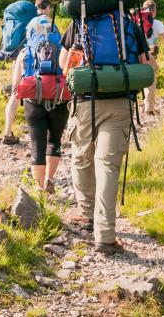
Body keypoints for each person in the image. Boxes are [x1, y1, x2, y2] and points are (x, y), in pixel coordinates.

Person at [59, 17, 150, 254]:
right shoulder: (127, 23)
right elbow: (146, 63)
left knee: (82, 158)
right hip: (120, 103)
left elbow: (63, 64)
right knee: (108, 165)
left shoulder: (78, 24)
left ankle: (87, 214)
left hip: (85, 103)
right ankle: (106, 236)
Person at [11, 14, 69, 193]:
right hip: (59, 98)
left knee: (37, 146)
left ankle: (40, 187)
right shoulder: (63, 49)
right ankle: (50, 179)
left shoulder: (25, 52)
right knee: (55, 141)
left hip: (33, 101)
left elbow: (16, 85)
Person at [2, 0, 55, 145]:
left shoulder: (30, 21)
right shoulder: (46, 21)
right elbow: (46, 43)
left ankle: (7, 132)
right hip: (37, 60)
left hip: (22, 57)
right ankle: (46, 132)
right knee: (45, 91)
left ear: (36, 7)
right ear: (48, 7)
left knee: (15, 93)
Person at [140, 0, 164, 115]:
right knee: (150, 80)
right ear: (154, 11)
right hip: (148, 56)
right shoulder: (157, 23)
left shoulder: (135, 21)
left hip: (134, 53)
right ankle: (149, 108)